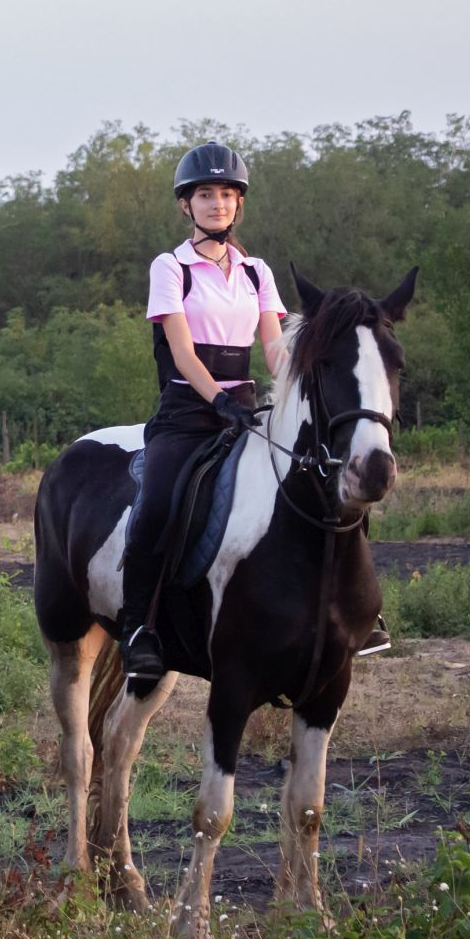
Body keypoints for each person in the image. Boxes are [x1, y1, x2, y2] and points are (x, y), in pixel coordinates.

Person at [117, 142, 291, 691]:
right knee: (160, 502)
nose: (218, 203)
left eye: (227, 194)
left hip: (244, 409)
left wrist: (298, 380)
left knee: (318, 479)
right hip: (187, 409)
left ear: (239, 205)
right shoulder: (171, 267)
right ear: (186, 205)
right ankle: (138, 629)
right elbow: (184, 352)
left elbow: (272, 348)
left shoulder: (257, 272)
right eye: (206, 194)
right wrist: (216, 400)